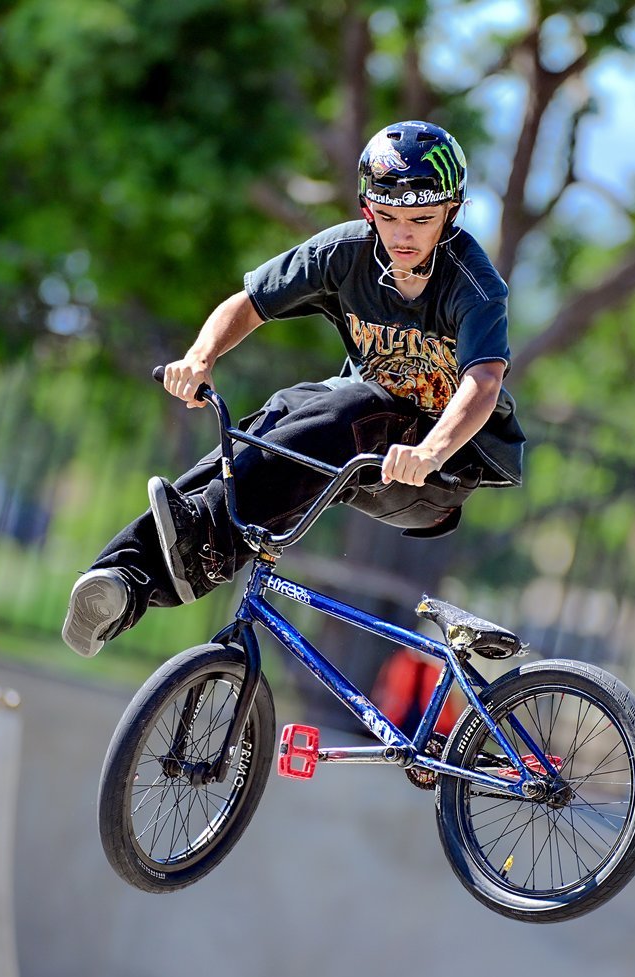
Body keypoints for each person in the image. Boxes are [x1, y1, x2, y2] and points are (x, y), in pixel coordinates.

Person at [60, 120, 524, 656]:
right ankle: (124, 579)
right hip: (362, 446)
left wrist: (431, 451)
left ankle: (206, 542)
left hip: (436, 473)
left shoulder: (475, 286)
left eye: (421, 220)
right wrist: (200, 357)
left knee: (354, 406)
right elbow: (249, 304)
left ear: (452, 211)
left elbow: (483, 381)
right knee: (284, 410)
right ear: (368, 209)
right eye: (388, 218)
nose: (403, 236)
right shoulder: (345, 253)